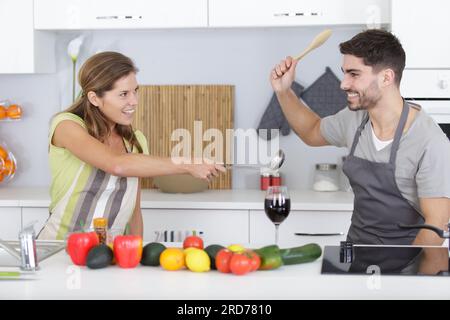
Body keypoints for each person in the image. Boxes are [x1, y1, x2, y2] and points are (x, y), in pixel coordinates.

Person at [270, 29, 450, 245]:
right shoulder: (354, 119)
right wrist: (283, 91)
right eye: (344, 73)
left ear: (386, 77)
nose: (343, 84)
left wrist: (408, 278)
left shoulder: (429, 141)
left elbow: (435, 225)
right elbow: (312, 131)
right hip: (357, 255)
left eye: (354, 74)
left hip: (407, 263)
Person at [38, 51, 225, 240]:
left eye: (135, 91)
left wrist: (136, 253)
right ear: (94, 98)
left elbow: (134, 213)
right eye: (123, 94)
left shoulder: (135, 142)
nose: (134, 101)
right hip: (60, 250)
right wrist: (187, 164)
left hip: (109, 255)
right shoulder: (66, 126)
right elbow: (116, 164)